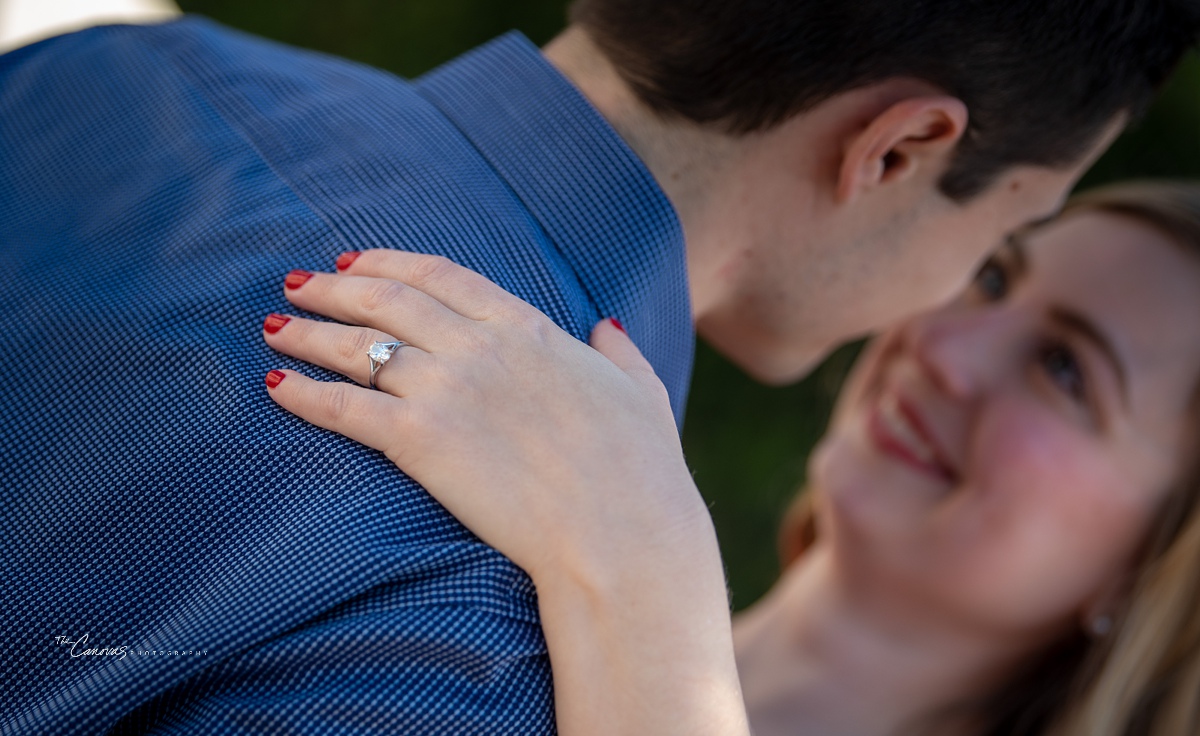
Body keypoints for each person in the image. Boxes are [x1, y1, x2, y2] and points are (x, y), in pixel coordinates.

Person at [3, 0, 1200, 732]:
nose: (940, 338)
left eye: (1064, 369)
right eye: (995, 255)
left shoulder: (109, 72)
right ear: (896, 151)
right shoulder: (485, 624)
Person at [262, 180, 1200, 736]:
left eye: (1065, 371)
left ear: (1157, 566)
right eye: (992, 275)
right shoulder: (516, 572)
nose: (944, 350)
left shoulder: (619, 554)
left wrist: (643, 568)